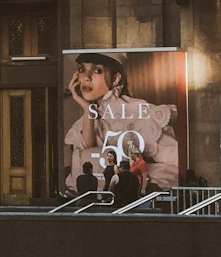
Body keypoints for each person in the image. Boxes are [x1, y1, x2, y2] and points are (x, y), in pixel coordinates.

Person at [64, 50, 179, 193]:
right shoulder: (89, 116)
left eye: (97, 70)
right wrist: (88, 112)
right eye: (82, 70)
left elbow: (175, 162)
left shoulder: (136, 110)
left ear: (116, 79)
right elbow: (89, 156)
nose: (86, 78)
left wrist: (139, 178)